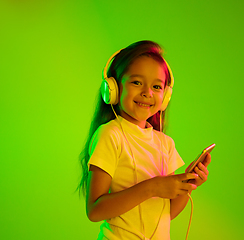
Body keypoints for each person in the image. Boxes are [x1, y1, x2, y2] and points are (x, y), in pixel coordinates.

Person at [78, 40, 211, 240]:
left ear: (165, 96)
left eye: (156, 86)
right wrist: (153, 187)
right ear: (113, 88)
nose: (147, 92)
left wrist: (187, 184)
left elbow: (167, 213)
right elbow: (95, 210)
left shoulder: (165, 144)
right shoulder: (110, 135)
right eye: (137, 82)